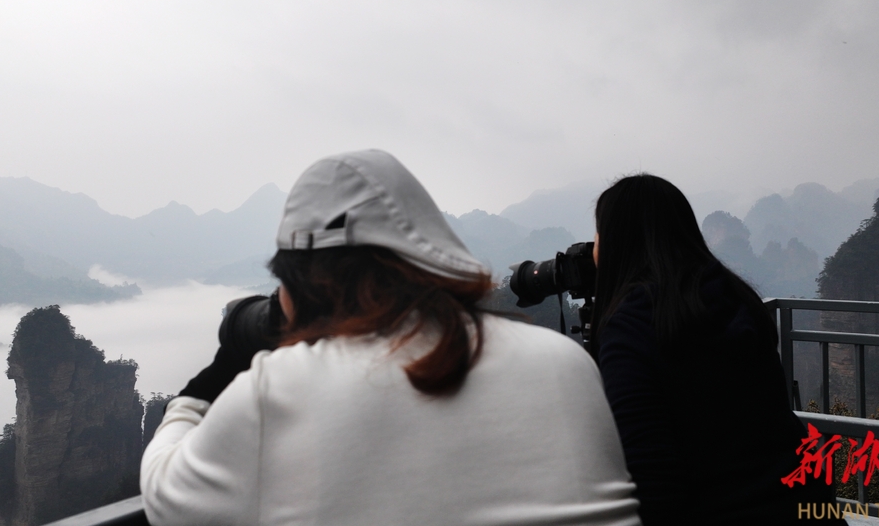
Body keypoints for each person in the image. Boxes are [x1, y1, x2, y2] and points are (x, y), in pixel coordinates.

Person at [141, 149, 641, 526]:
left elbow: (164, 494)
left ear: (304, 284)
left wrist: (229, 359)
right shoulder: (566, 364)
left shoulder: (281, 388)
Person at [588, 174, 844, 525]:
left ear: (617, 243)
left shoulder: (632, 325)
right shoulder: (734, 297)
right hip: (805, 501)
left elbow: (651, 482)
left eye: (598, 233)